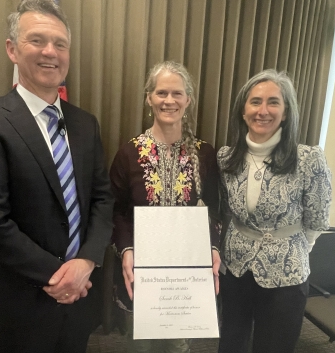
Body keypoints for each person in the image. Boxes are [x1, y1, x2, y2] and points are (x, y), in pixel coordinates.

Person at [0, 1, 114, 352]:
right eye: (36, 41)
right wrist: (61, 276)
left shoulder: (86, 124)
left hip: (80, 299)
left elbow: (103, 198)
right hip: (20, 303)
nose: (49, 52)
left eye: (60, 44)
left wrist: (86, 262)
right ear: (12, 49)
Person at [217, 69, 332, 353]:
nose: (263, 110)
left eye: (273, 102)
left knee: (274, 346)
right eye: (255, 102)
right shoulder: (225, 158)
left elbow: (317, 219)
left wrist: (293, 246)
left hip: (287, 273)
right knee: (231, 342)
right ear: (243, 110)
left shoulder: (308, 159)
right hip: (235, 266)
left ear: (286, 111)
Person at [109, 61, 221, 353]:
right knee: (141, 346)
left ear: (188, 100)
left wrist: (213, 248)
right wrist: (126, 250)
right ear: (149, 98)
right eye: (161, 93)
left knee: (178, 347)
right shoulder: (129, 153)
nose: (169, 101)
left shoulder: (205, 154)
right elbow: (116, 210)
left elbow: (215, 210)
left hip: (187, 275)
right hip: (143, 272)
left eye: (177, 94)